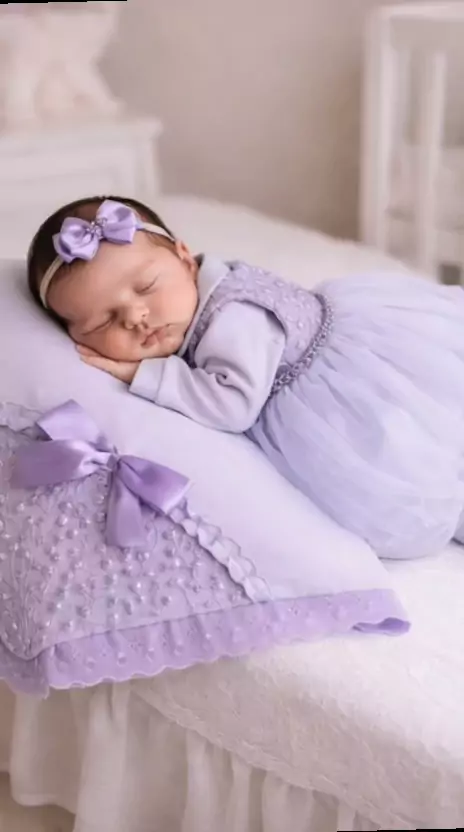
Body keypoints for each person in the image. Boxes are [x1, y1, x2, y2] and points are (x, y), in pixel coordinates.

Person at [27, 195, 464, 559]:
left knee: (397, 459)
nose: (136, 317)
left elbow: (232, 406)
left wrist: (143, 373)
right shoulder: (201, 290)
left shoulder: (232, 318)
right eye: (105, 321)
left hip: (339, 389)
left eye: (146, 287)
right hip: (340, 369)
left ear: (185, 258)